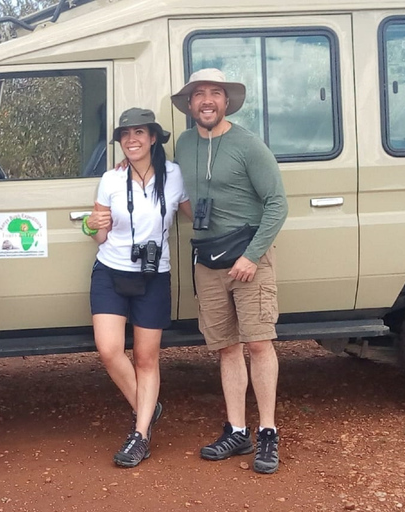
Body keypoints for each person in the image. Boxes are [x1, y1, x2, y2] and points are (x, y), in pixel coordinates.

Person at [170, 68, 288, 474]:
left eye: (215, 94)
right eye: (199, 94)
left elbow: (277, 204)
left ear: (226, 102)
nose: (207, 101)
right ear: (190, 105)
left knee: (258, 343)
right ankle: (237, 430)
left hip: (248, 261)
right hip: (208, 259)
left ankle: (268, 433)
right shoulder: (185, 144)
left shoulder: (248, 145)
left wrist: (252, 257)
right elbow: (177, 189)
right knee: (225, 347)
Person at [84, 108, 191, 468]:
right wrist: (90, 225)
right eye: (125, 134)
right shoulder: (110, 179)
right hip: (111, 270)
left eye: (140, 132)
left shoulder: (174, 176)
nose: (132, 139)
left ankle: (141, 434)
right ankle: (147, 404)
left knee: (147, 358)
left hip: (154, 274)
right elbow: (99, 233)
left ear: (154, 137)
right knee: (110, 350)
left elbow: (195, 212)